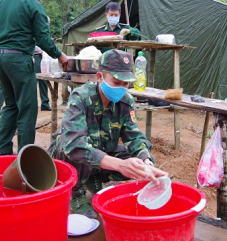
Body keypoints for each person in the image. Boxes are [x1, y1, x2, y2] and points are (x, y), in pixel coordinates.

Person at [48, 49, 167, 218]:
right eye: (116, 82)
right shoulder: (80, 97)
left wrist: (146, 163)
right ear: (99, 77)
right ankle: (75, 192)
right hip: (68, 154)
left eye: (125, 84)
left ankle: (93, 176)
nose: (121, 88)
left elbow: (135, 137)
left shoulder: (125, 102)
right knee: (72, 148)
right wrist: (119, 165)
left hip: (102, 151)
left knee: (140, 159)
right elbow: (74, 145)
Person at [0, 0, 69, 156]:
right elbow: (43, 38)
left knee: (11, 105)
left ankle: (1, 150)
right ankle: (25, 156)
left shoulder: (4, 1)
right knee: (27, 109)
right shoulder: (33, 4)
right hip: (19, 61)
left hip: (0, 59)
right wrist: (60, 55)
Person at [33, 46, 51, 111]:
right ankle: (33, 105)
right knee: (33, 82)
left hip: (42, 57)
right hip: (34, 56)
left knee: (43, 80)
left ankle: (45, 104)